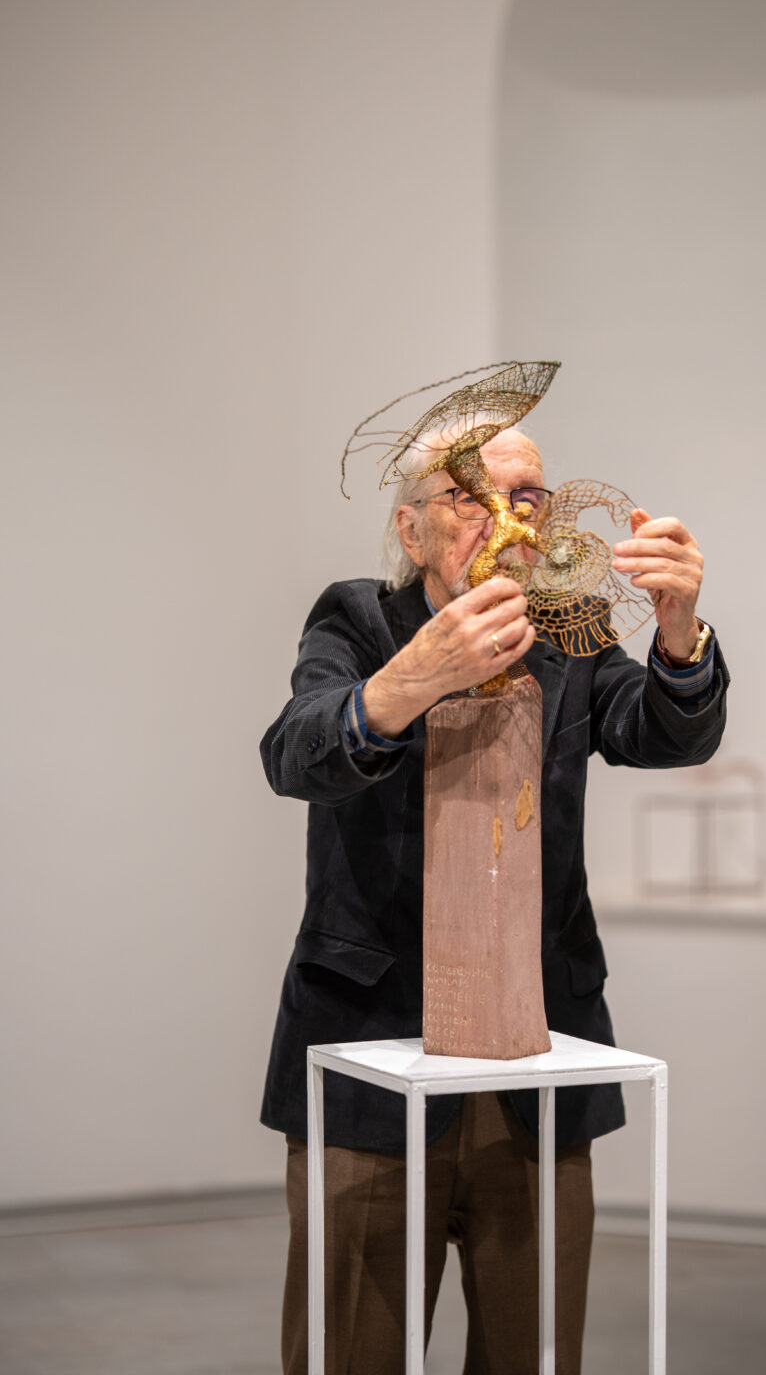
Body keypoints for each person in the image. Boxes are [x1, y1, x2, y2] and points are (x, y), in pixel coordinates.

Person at [259, 427, 729, 1375]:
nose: (507, 520)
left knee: (536, 1353)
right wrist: (418, 675)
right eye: (470, 496)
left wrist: (679, 633)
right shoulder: (360, 618)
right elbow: (296, 753)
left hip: (537, 1056)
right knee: (352, 1352)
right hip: (376, 1048)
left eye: (529, 498)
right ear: (412, 529)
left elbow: (662, 733)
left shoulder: (570, 623)